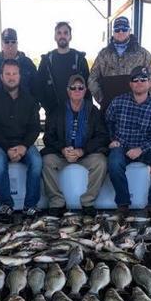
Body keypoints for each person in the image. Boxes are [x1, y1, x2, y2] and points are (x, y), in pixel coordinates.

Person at [106, 65, 151, 219]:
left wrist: (141, 149)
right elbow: (107, 122)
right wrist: (112, 140)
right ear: (130, 84)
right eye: (134, 80)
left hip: (145, 149)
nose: (139, 82)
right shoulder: (118, 102)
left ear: (150, 83)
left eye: (143, 79)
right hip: (121, 147)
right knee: (114, 163)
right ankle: (123, 204)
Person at [41, 74, 109, 217]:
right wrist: (62, 149)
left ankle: (88, 202)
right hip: (62, 154)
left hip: (86, 153)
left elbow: (102, 136)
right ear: (68, 91)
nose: (77, 90)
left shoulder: (93, 111)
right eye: (73, 87)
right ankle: (57, 202)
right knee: (46, 161)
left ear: (85, 91)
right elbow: (48, 137)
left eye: (80, 87)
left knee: (101, 162)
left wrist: (82, 151)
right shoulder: (57, 111)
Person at [0, 59, 42, 222]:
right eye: (7, 74)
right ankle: (5, 204)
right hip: (1, 143)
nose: (11, 77)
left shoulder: (30, 99)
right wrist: (8, 148)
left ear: (20, 76)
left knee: (37, 161)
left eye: (14, 73)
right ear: (1, 77)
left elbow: (35, 128)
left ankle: (30, 205)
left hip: (24, 142)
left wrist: (24, 146)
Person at [88, 16, 151, 111]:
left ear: (129, 30)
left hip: (135, 110)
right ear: (113, 32)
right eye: (117, 29)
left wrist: (143, 98)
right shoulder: (103, 54)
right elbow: (92, 78)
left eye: (124, 29)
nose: (120, 32)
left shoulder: (143, 54)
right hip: (108, 109)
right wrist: (101, 98)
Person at [37, 21, 90, 116]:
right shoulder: (46, 61)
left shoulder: (80, 60)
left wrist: (85, 110)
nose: (62, 36)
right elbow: (39, 87)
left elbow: (88, 86)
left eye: (66, 33)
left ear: (70, 37)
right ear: (55, 37)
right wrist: (48, 108)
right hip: (53, 114)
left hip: (77, 114)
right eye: (59, 33)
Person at [0, 28, 37, 96]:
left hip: (25, 105)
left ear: (17, 43)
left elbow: (36, 88)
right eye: (7, 42)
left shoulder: (28, 63)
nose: (10, 45)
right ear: (2, 44)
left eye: (13, 42)